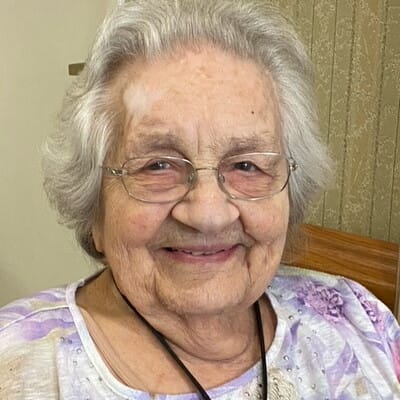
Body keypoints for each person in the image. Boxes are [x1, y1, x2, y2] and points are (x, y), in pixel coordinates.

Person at [1, 0, 399, 398]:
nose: (209, 214)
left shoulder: (360, 321)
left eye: (246, 165)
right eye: (158, 165)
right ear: (95, 208)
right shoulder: (16, 367)